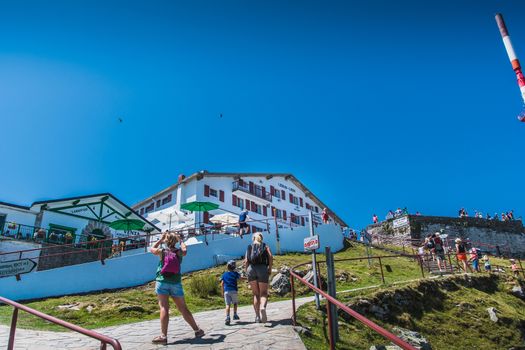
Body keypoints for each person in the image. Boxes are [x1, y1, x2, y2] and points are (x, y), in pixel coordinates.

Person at [150, 231, 204, 344]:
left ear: (166, 241)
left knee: (164, 308)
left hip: (162, 281)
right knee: (183, 308)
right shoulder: (179, 252)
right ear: (175, 241)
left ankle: (163, 336)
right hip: (175, 282)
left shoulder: (162, 252)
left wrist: (160, 239)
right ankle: (197, 330)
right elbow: (185, 250)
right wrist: (181, 240)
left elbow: (152, 249)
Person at [244, 232, 273, 323]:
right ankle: (263, 307)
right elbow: (271, 257)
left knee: (256, 294)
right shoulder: (265, 246)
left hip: (251, 269)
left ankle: (257, 317)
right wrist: (270, 269)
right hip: (262, 268)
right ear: (261, 238)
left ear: (253, 239)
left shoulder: (249, 247)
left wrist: (246, 271)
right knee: (263, 293)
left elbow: (246, 261)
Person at [221, 260, 242, 325]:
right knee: (235, 303)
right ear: (234, 267)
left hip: (226, 291)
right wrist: (247, 278)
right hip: (234, 291)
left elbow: (222, 284)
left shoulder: (224, 274)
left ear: (227, 267)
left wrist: (222, 292)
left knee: (228, 305)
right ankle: (235, 314)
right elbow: (240, 278)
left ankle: (227, 317)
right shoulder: (235, 273)